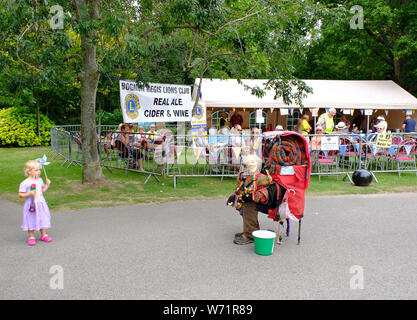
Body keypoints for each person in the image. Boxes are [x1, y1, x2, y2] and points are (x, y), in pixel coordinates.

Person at [230, 154, 263, 245]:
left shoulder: (259, 177)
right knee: (245, 211)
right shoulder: (244, 175)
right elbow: (240, 188)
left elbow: (263, 192)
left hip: (256, 200)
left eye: (246, 166)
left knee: (249, 208)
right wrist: (235, 196)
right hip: (246, 198)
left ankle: (250, 235)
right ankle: (249, 231)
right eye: (244, 165)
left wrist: (250, 197)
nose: (244, 168)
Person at [18, 160, 52, 246]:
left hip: (40, 203)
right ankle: (31, 237)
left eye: (39, 170)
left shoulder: (39, 180)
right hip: (31, 205)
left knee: (42, 218)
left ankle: (43, 235)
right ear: (29, 171)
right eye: (36, 170)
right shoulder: (25, 183)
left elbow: (42, 191)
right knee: (31, 219)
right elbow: (20, 195)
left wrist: (47, 185)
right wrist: (29, 193)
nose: (39, 172)